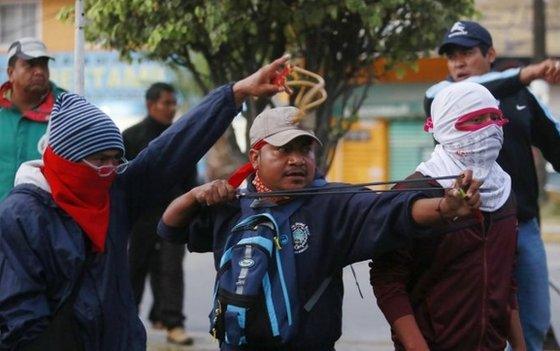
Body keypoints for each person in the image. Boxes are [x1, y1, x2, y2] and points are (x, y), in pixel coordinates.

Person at [0, 56, 290, 350]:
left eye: (116, 160)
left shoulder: (114, 190)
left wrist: (235, 93)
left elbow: (171, 149)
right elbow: (21, 317)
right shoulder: (22, 216)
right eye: (100, 161)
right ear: (66, 160)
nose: (109, 170)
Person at [158, 106, 483, 351]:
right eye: (284, 150)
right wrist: (194, 196)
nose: (297, 160)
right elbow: (169, 229)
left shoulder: (333, 203)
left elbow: (392, 210)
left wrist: (445, 207)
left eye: (305, 150)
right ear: (256, 157)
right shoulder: (230, 204)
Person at [424, 21, 560, 351]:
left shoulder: (519, 96)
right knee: (475, 324)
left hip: (523, 226)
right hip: (467, 229)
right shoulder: (440, 97)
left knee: (533, 324)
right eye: (451, 56)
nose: (458, 62)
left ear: (491, 54)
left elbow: (559, 142)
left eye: (467, 53)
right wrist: (528, 72)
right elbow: (479, 86)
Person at [370, 81, 525, 351]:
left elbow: (506, 282)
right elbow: (388, 280)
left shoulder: (503, 190)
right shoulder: (414, 192)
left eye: (495, 118)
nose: (489, 128)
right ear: (445, 126)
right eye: (476, 120)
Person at [122, 83, 195, 345]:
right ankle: (125, 321)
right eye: (167, 103)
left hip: (174, 216)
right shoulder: (130, 137)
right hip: (140, 218)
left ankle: (174, 324)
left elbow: (190, 180)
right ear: (151, 104)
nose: (172, 108)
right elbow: (122, 179)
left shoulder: (181, 137)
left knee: (171, 270)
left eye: (174, 103)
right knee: (134, 269)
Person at [0, 37, 65, 200]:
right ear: (10, 73)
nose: (39, 71)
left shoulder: (66, 109)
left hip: (46, 219)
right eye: (30, 64)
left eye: (43, 64)